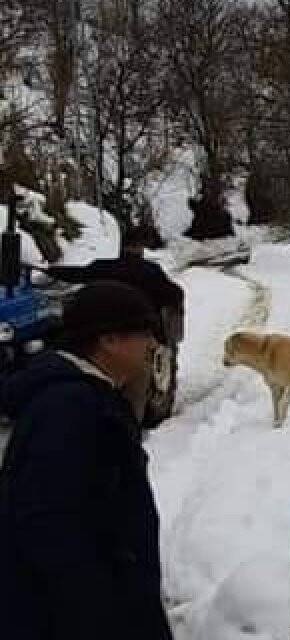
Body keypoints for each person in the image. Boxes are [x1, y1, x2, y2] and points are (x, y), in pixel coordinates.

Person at [0, 281, 173, 639]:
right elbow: (49, 527)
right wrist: (100, 619)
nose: (152, 345)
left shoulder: (87, 398)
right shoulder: (70, 409)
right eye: (142, 333)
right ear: (108, 340)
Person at [45, 225, 185, 426]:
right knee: (137, 384)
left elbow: (76, 274)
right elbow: (174, 295)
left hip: (98, 340)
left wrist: (50, 270)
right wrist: (163, 334)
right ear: (141, 249)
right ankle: (130, 428)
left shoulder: (100, 267)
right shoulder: (150, 272)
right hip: (135, 338)